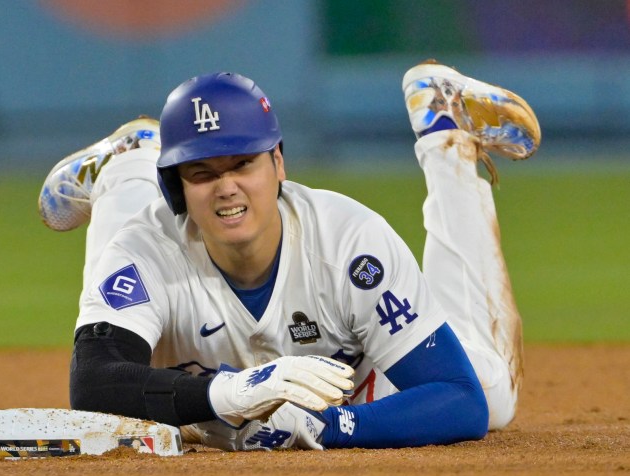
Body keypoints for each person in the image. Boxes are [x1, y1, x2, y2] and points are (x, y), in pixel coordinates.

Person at [37, 60, 540, 450]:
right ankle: (128, 169)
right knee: (131, 254)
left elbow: (460, 398)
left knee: (493, 394)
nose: (227, 187)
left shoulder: (348, 241)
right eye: (202, 173)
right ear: (176, 186)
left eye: (243, 164)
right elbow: (93, 385)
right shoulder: (148, 247)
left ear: (278, 162)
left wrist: (331, 425)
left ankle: (446, 131)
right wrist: (233, 393)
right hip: (199, 371)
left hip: (361, 386)